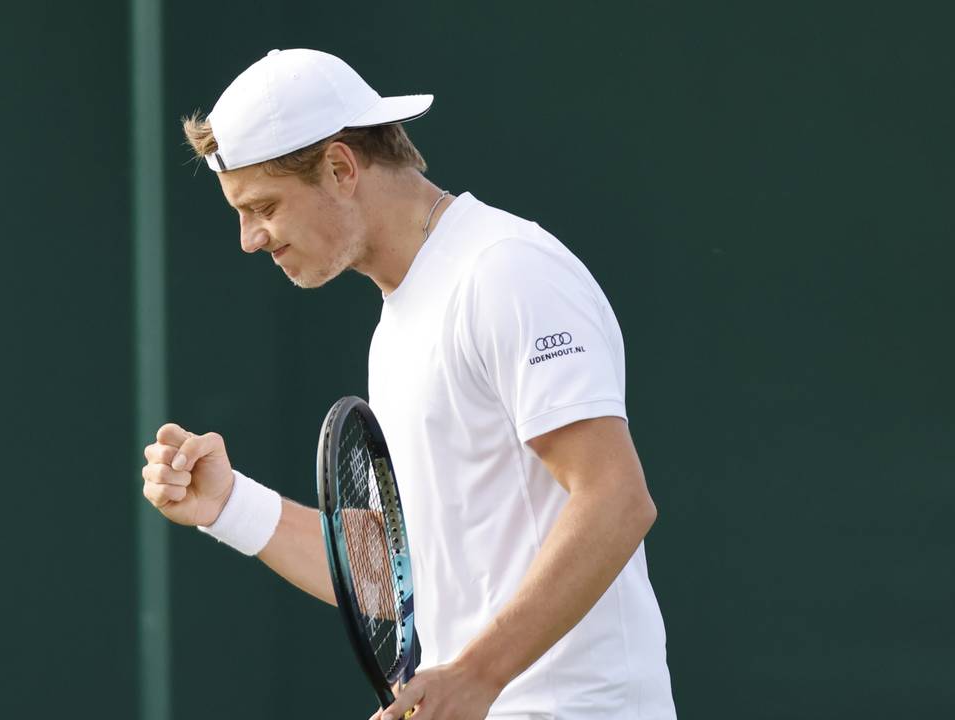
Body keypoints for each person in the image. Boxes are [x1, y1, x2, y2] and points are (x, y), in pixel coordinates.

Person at [141, 48, 676, 720]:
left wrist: (477, 675)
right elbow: (406, 572)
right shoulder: (400, 320)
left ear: (341, 168)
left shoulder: (504, 273)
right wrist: (229, 505)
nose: (250, 238)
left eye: (263, 206)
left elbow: (617, 500)